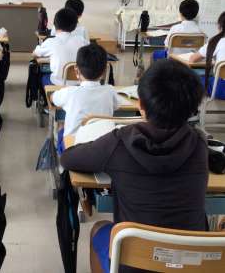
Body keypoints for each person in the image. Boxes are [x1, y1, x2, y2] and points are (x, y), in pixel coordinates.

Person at [60, 59, 207, 273]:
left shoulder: (120, 142)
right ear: (191, 109)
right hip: (193, 263)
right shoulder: (199, 144)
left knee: (99, 228)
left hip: (135, 263)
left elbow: (68, 159)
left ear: (141, 105)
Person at [51, 44, 119, 153]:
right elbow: (117, 106)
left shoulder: (70, 92)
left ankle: (61, 158)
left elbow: (53, 99)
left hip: (74, 151)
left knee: (61, 127)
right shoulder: (110, 91)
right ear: (104, 72)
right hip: (103, 148)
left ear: (76, 71)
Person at [33, 8, 88, 85]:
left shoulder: (51, 41)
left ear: (54, 24)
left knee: (42, 75)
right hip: (79, 82)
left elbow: (35, 54)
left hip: (58, 83)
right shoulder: (82, 41)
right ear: (75, 26)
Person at [190, 11, 225, 99]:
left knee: (190, 80)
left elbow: (193, 59)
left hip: (221, 88)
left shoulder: (217, 41)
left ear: (220, 26)